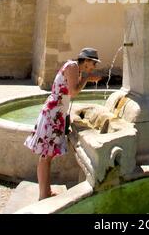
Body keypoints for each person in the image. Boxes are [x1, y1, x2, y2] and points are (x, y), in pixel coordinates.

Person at [24, 47, 102, 200]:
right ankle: (43, 195)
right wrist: (86, 78)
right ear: (86, 61)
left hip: (56, 113)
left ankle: (46, 191)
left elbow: (70, 91)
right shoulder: (73, 66)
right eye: (93, 63)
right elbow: (73, 91)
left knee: (47, 156)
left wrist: (86, 78)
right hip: (53, 115)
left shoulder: (75, 68)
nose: (94, 67)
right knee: (46, 156)